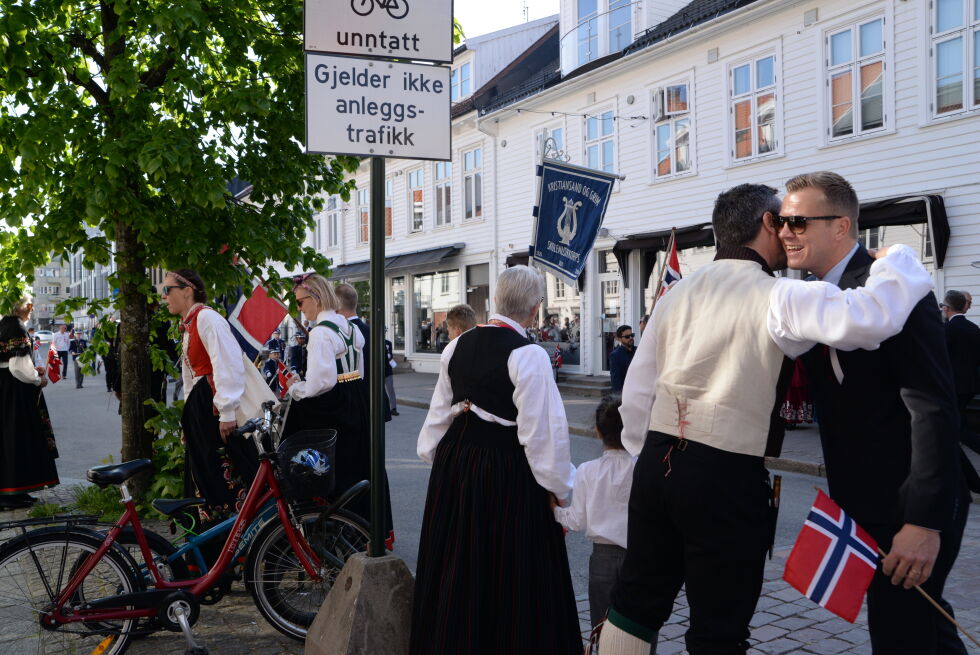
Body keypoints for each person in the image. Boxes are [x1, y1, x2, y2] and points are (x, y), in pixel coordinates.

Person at [599, 183, 936, 655]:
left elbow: (637, 393)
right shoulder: (777, 295)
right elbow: (871, 317)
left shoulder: (676, 294)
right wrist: (899, 258)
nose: (792, 233)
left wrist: (650, 458)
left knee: (634, 602)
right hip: (725, 472)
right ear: (767, 224)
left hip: (657, 461)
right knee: (720, 621)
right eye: (788, 222)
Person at [779, 171, 970, 655]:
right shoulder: (813, 297)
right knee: (911, 629)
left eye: (798, 222)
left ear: (841, 227)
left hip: (912, 508)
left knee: (906, 634)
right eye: (781, 222)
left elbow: (932, 408)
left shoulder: (895, 288)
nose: (785, 233)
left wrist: (924, 524)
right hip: (865, 509)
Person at [411, 265, 581, 655]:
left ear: (494, 303)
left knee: (458, 567)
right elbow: (543, 436)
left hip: (456, 464)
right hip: (505, 471)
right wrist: (560, 490)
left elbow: (437, 418)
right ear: (535, 310)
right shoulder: (530, 355)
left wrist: (446, 466)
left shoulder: (457, 345)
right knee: (509, 571)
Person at [283, 274, 393, 539]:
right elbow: (359, 370)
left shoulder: (320, 333)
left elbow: (321, 382)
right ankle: (363, 528)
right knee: (358, 465)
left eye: (300, 302)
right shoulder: (350, 327)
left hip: (334, 404)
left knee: (327, 468)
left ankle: (326, 529)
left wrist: (295, 387)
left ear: (317, 298)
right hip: (355, 398)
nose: (300, 308)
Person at [162, 269, 256, 520]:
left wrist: (226, 411)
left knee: (221, 472)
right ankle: (211, 546)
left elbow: (228, 364)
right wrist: (188, 418)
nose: (164, 297)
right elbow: (190, 376)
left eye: (167, 290)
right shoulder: (191, 323)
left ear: (187, 291)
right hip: (201, 407)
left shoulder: (207, 319)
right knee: (204, 472)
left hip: (212, 408)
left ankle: (234, 542)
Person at [553, 395, 634, 628]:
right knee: (639, 627)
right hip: (637, 556)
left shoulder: (587, 471)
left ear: (598, 432)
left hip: (602, 559)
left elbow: (576, 521)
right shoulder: (641, 467)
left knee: (603, 627)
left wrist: (555, 511)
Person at [0, 296, 59, 509]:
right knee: (18, 439)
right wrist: (37, 378)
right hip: (16, 390)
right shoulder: (15, 326)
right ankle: (10, 493)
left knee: (9, 440)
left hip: (5, 388)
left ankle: (14, 491)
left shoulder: (3, 324)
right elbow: (18, 366)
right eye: (29, 304)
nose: (32, 308)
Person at [335, 282, 391, 422]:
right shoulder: (373, 332)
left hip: (354, 405)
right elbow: (385, 368)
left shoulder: (342, 334)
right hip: (376, 402)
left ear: (336, 305)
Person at [942, 290, 980, 456]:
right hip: (971, 384)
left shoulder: (946, 329)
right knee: (960, 418)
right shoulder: (974, 329)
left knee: (954, 425)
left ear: (947, 308)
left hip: (953, 384)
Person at [607, 325, 635, 392]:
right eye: (627, 337)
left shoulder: (638, 351)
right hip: (626, 393)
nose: (631, 338)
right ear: (619, 339)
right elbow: (615, 379)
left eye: (632, 335)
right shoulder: (615, 355)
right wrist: (619, 397)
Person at [384, 333, 398, 416]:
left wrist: (389, 356)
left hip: (388, 370)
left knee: (391, 390)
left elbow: (390, 354)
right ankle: (383, 408)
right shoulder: (375, 342)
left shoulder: (388, 343)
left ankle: (393, 408)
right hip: (379, 370)